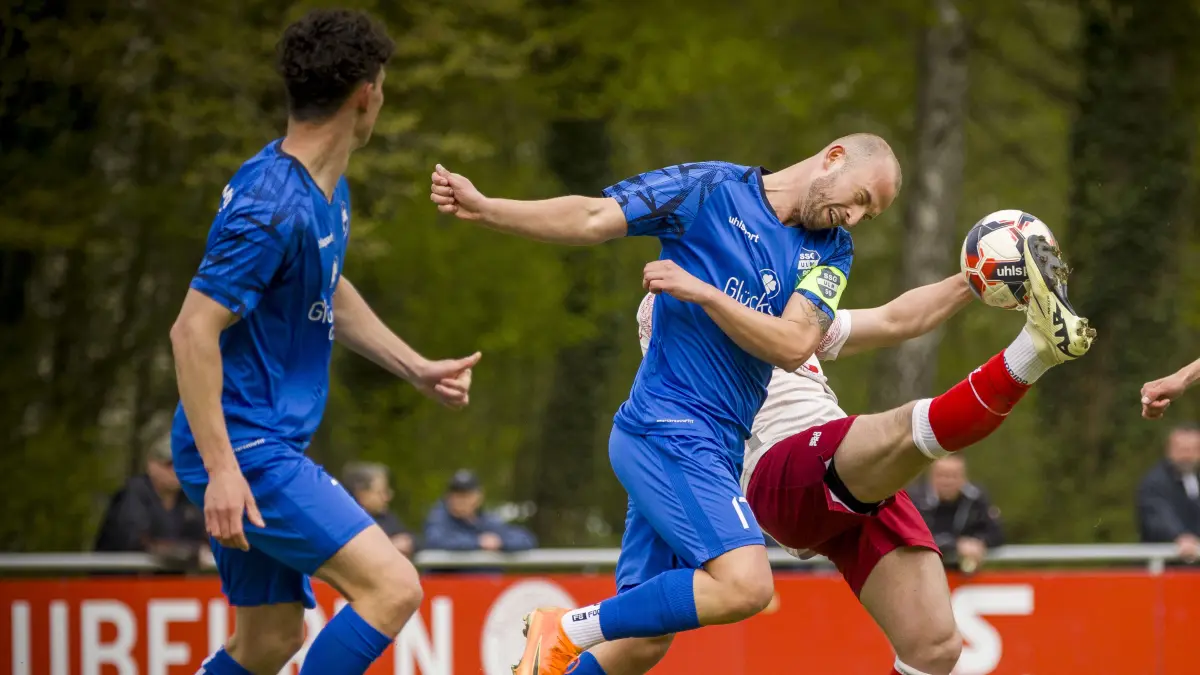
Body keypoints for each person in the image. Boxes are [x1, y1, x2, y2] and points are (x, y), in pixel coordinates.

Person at [430, 134, 904, 675]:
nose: (857, 217)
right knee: (747, 585)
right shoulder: (710, 188)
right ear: (834, 156)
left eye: (871, 214)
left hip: (717, 448)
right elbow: (590, 217)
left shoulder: (831, 250)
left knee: (641, 643)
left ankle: (566, 642)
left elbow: (794, 345)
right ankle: (566, 628)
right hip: (667, 427)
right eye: (863, 198)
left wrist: (703, 292)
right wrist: (489, 210)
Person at [169, 10, 480, 675]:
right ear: (367, 93)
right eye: (385, 85)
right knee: (392, 587)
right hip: (244, 446)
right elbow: (191, 329)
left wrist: (415, 366)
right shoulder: (270, 202)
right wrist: (224, 469)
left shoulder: (322, 192)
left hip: (257, 444)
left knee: (269, 641)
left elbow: (327, 287)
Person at [612, 274, 979, 675]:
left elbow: (895, 319)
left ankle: (565, 637)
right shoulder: (687, 296)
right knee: (910, 427)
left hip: (842, 461)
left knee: (936, 648)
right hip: (775, 464)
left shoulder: (787, 304)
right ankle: (571, 626)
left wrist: (972, 280)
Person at [94, 440, 209, 569]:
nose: (176, 470)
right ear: (151, 464)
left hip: (167, 584)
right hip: (120, 582)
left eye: (184, 464)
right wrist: (189, 553)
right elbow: (137, 543)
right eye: (169, 464)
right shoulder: (133, 493)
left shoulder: (190, 499)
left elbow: (207, 538)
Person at [909, 455, 1005, 574]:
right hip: (922, 573)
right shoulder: (914, 500)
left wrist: (978, 542)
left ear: (964, 477)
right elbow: (912, 537)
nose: (947, 481)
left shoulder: (976, 498)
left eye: (954, 476)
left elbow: (996, 533)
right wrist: (956, 545)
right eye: (942, 475)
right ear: (931, 477)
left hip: (965, 576)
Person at [423, 469, 537, 552]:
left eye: (466, 495)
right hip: (449, 583)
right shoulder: (438, 519)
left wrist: (500, 542)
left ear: (478, 497)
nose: (460, 501)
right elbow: (434, 541)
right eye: (456, 495)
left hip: (487, 583)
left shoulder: (487, 520)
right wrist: (478, 542)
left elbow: (526, 539)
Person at [1136, 423, 1200, 562]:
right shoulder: (1155, 481)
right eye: (1182, 449)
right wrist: (1179, 536)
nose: (1187, 455)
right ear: (1169, 450)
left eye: (1193, 449)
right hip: (1166, 566)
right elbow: (1157, 514)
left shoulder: (1195, 477)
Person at [343, 462, 416, 558]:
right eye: (381, 492)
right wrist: (389, 547)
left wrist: (409, 542)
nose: (387, 497)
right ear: (362, 494)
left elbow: (414, 539)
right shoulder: (344, 521)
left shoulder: (385, 516)